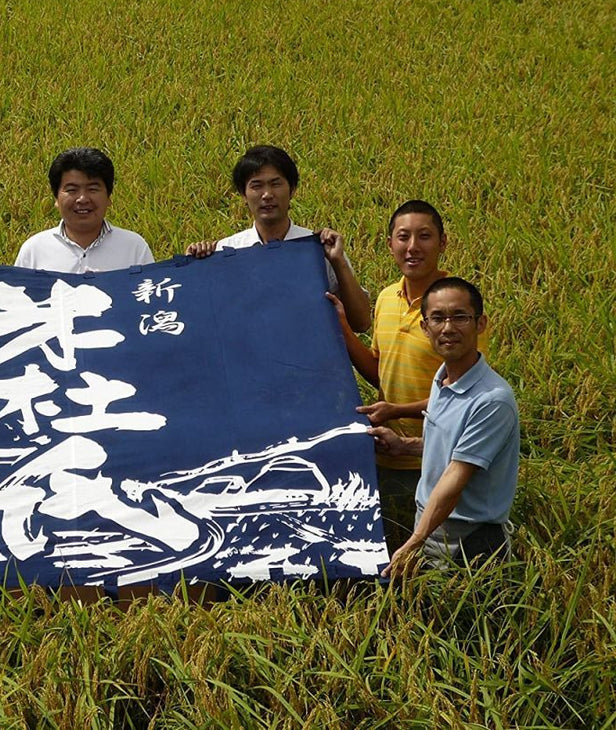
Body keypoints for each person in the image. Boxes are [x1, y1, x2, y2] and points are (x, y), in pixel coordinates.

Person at [328, 201, 489, 552]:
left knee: (436, 558)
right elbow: (378, 370)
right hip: (385, 457)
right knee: (389, 558)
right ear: (390, 245)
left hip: (439, 462)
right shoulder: (386, 298)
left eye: (424, 236)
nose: (412, 246)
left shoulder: (455, 310)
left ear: (443, 243)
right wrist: (341, 326)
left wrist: (397, 410)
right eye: (403, 237)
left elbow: (468, 396)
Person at [369, 278, 519, 576]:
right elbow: (451, 445)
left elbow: (456, 476)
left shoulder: (492, 400)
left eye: (460, 317)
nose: (448, 328)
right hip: (432, 531)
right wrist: (403, 446)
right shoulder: (442, 380)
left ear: (480, 324)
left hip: (470, 544)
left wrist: (413, 542)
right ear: (425, 328)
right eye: (437, 318)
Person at [185, 145, 371, 332]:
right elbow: (201, 321)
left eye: (276, 184)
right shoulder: (225, 252)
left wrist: (338, 262)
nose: (267, 195)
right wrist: (193, 270)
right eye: (257, 186)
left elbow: (361, 323)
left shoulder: (319, 249)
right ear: (243, 194)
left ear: (292, 189)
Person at [14, 147, 154, 273]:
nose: (82, 199)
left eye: (92, 189)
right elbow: (18, 299)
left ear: (108, 197)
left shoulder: (134, 247)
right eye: (72, 190)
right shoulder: (34, 250)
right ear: (56, 198)